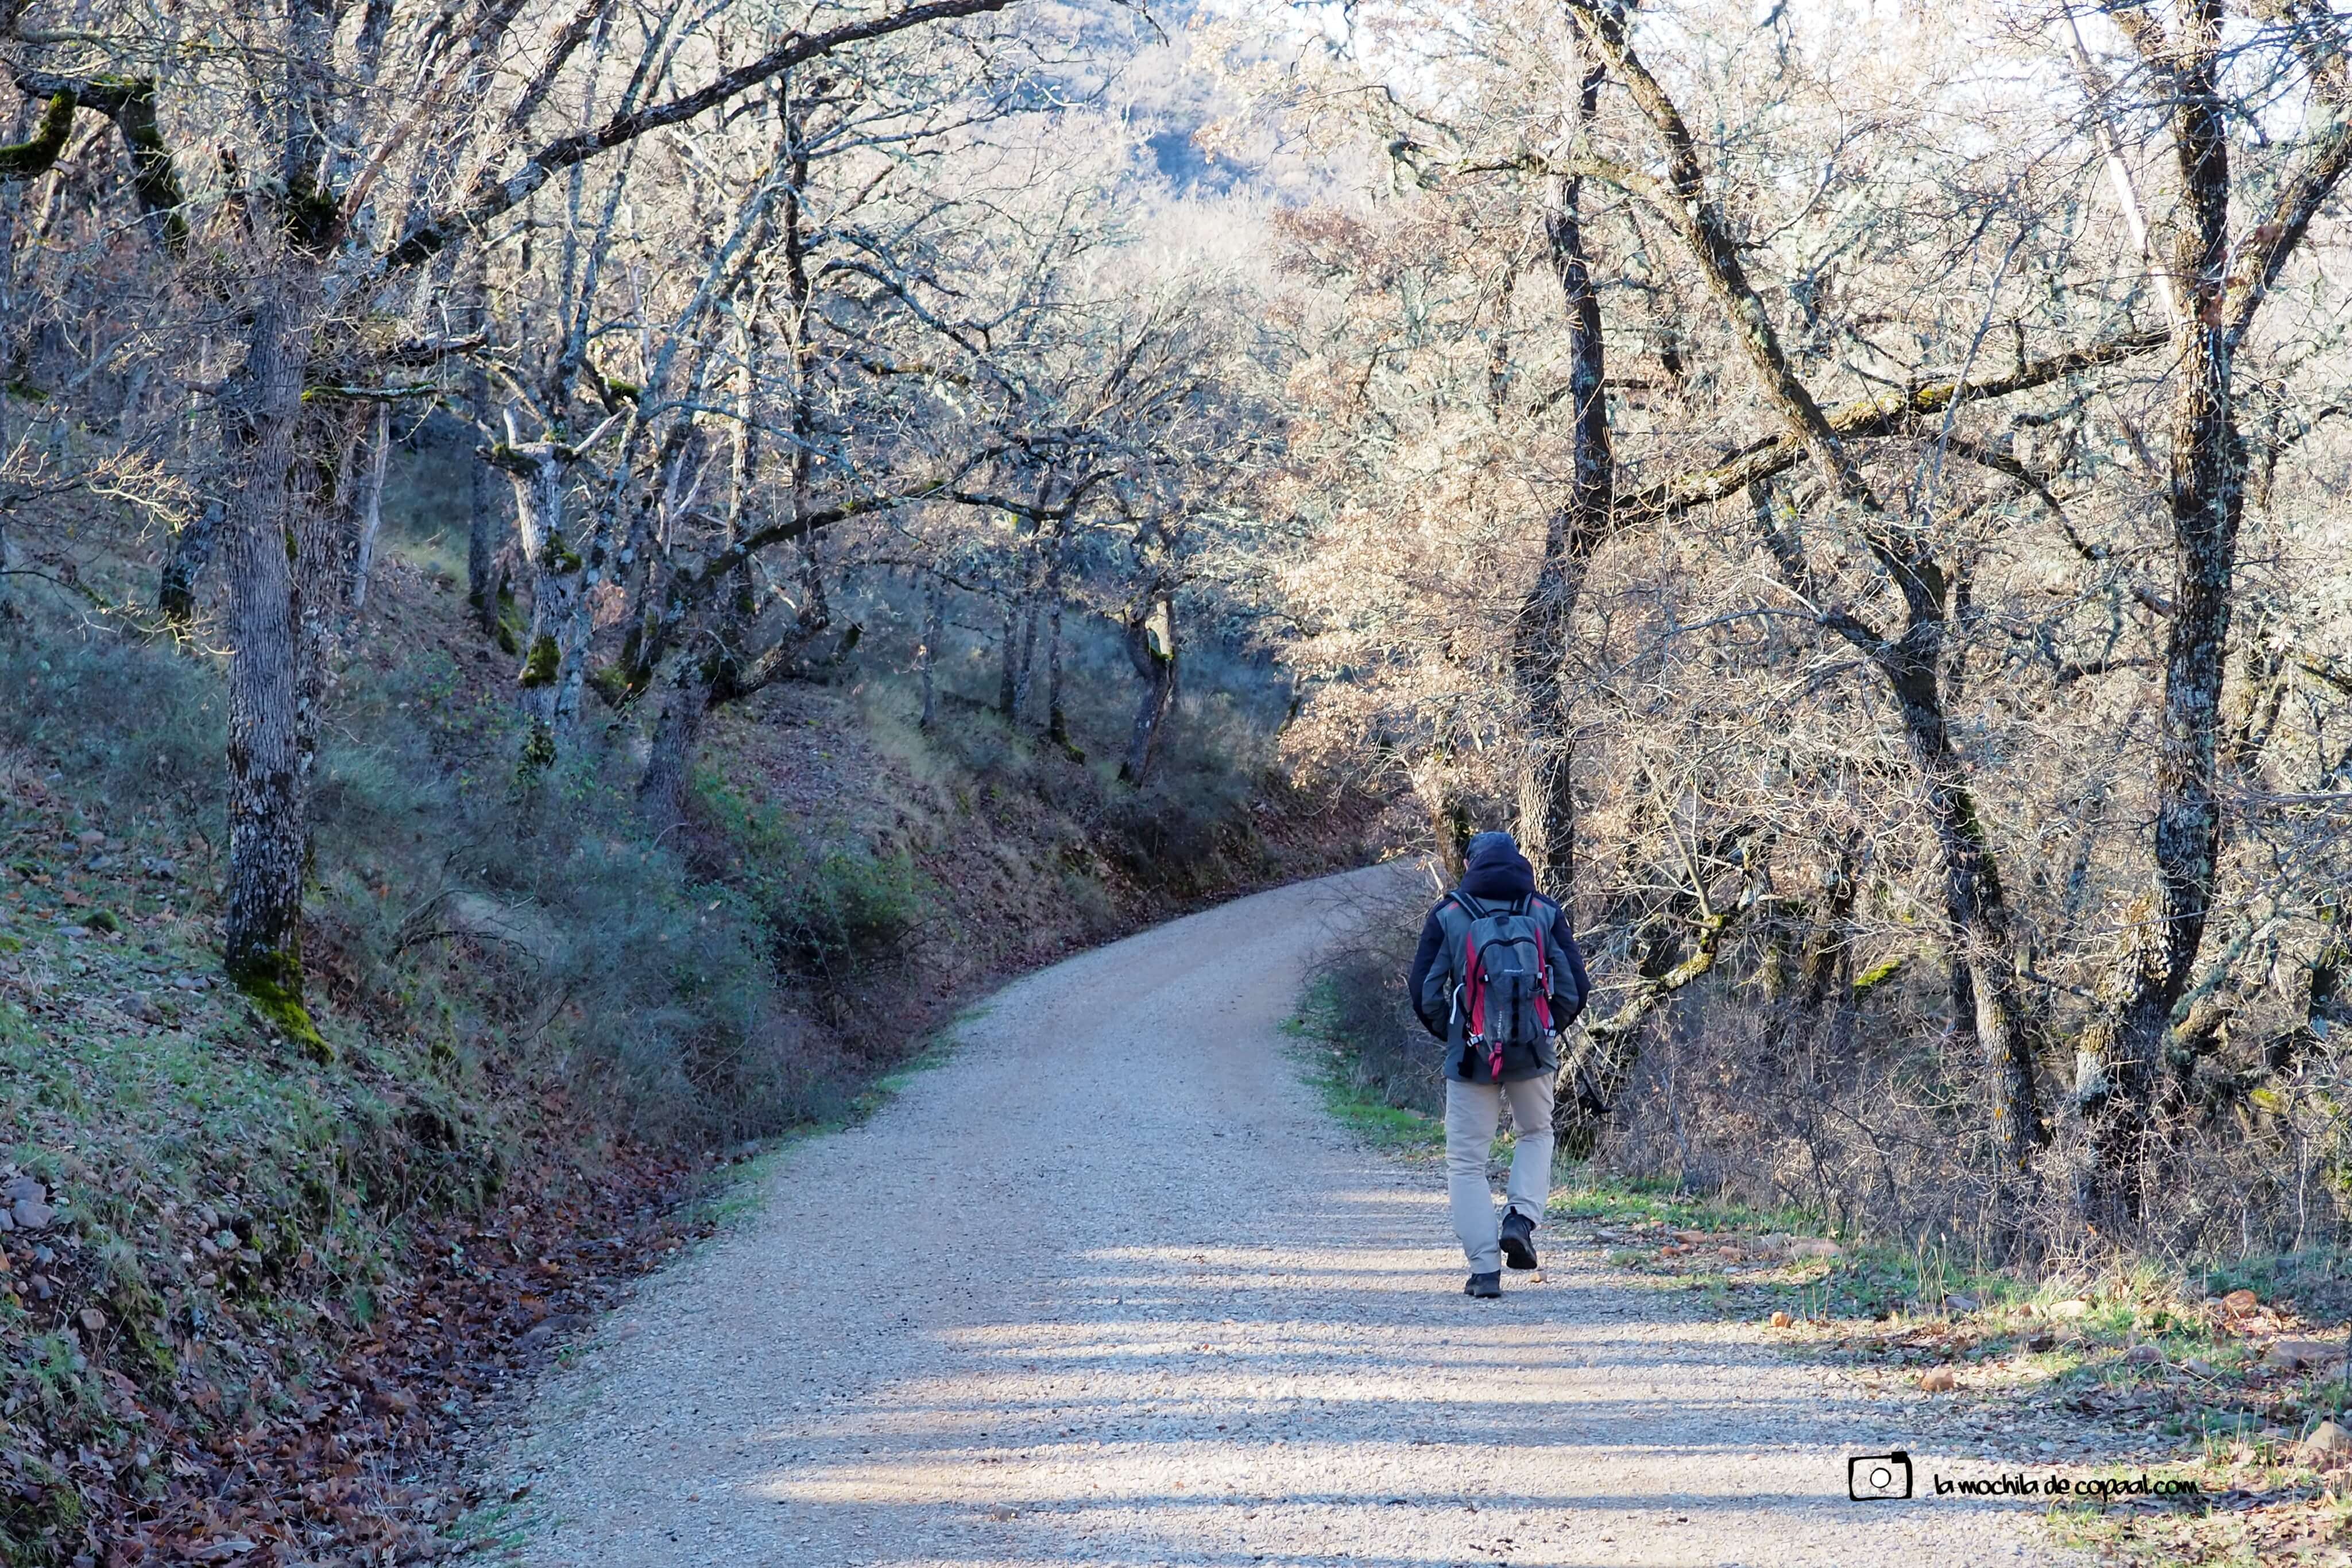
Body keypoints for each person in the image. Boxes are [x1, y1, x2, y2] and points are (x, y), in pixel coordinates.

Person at [1407, 830, 1591, 1298]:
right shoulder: (1543, 912)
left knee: (1467, 1162)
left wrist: (1457, 1037)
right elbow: (1574, 988)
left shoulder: (1451, 914)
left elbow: (1424, 991)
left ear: (1470, 864)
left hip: (1470, 1056)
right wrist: (1545, 1030)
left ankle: (1485, 1270)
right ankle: (1520, 1219)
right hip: (1533, 1052)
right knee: (1536, 1133)